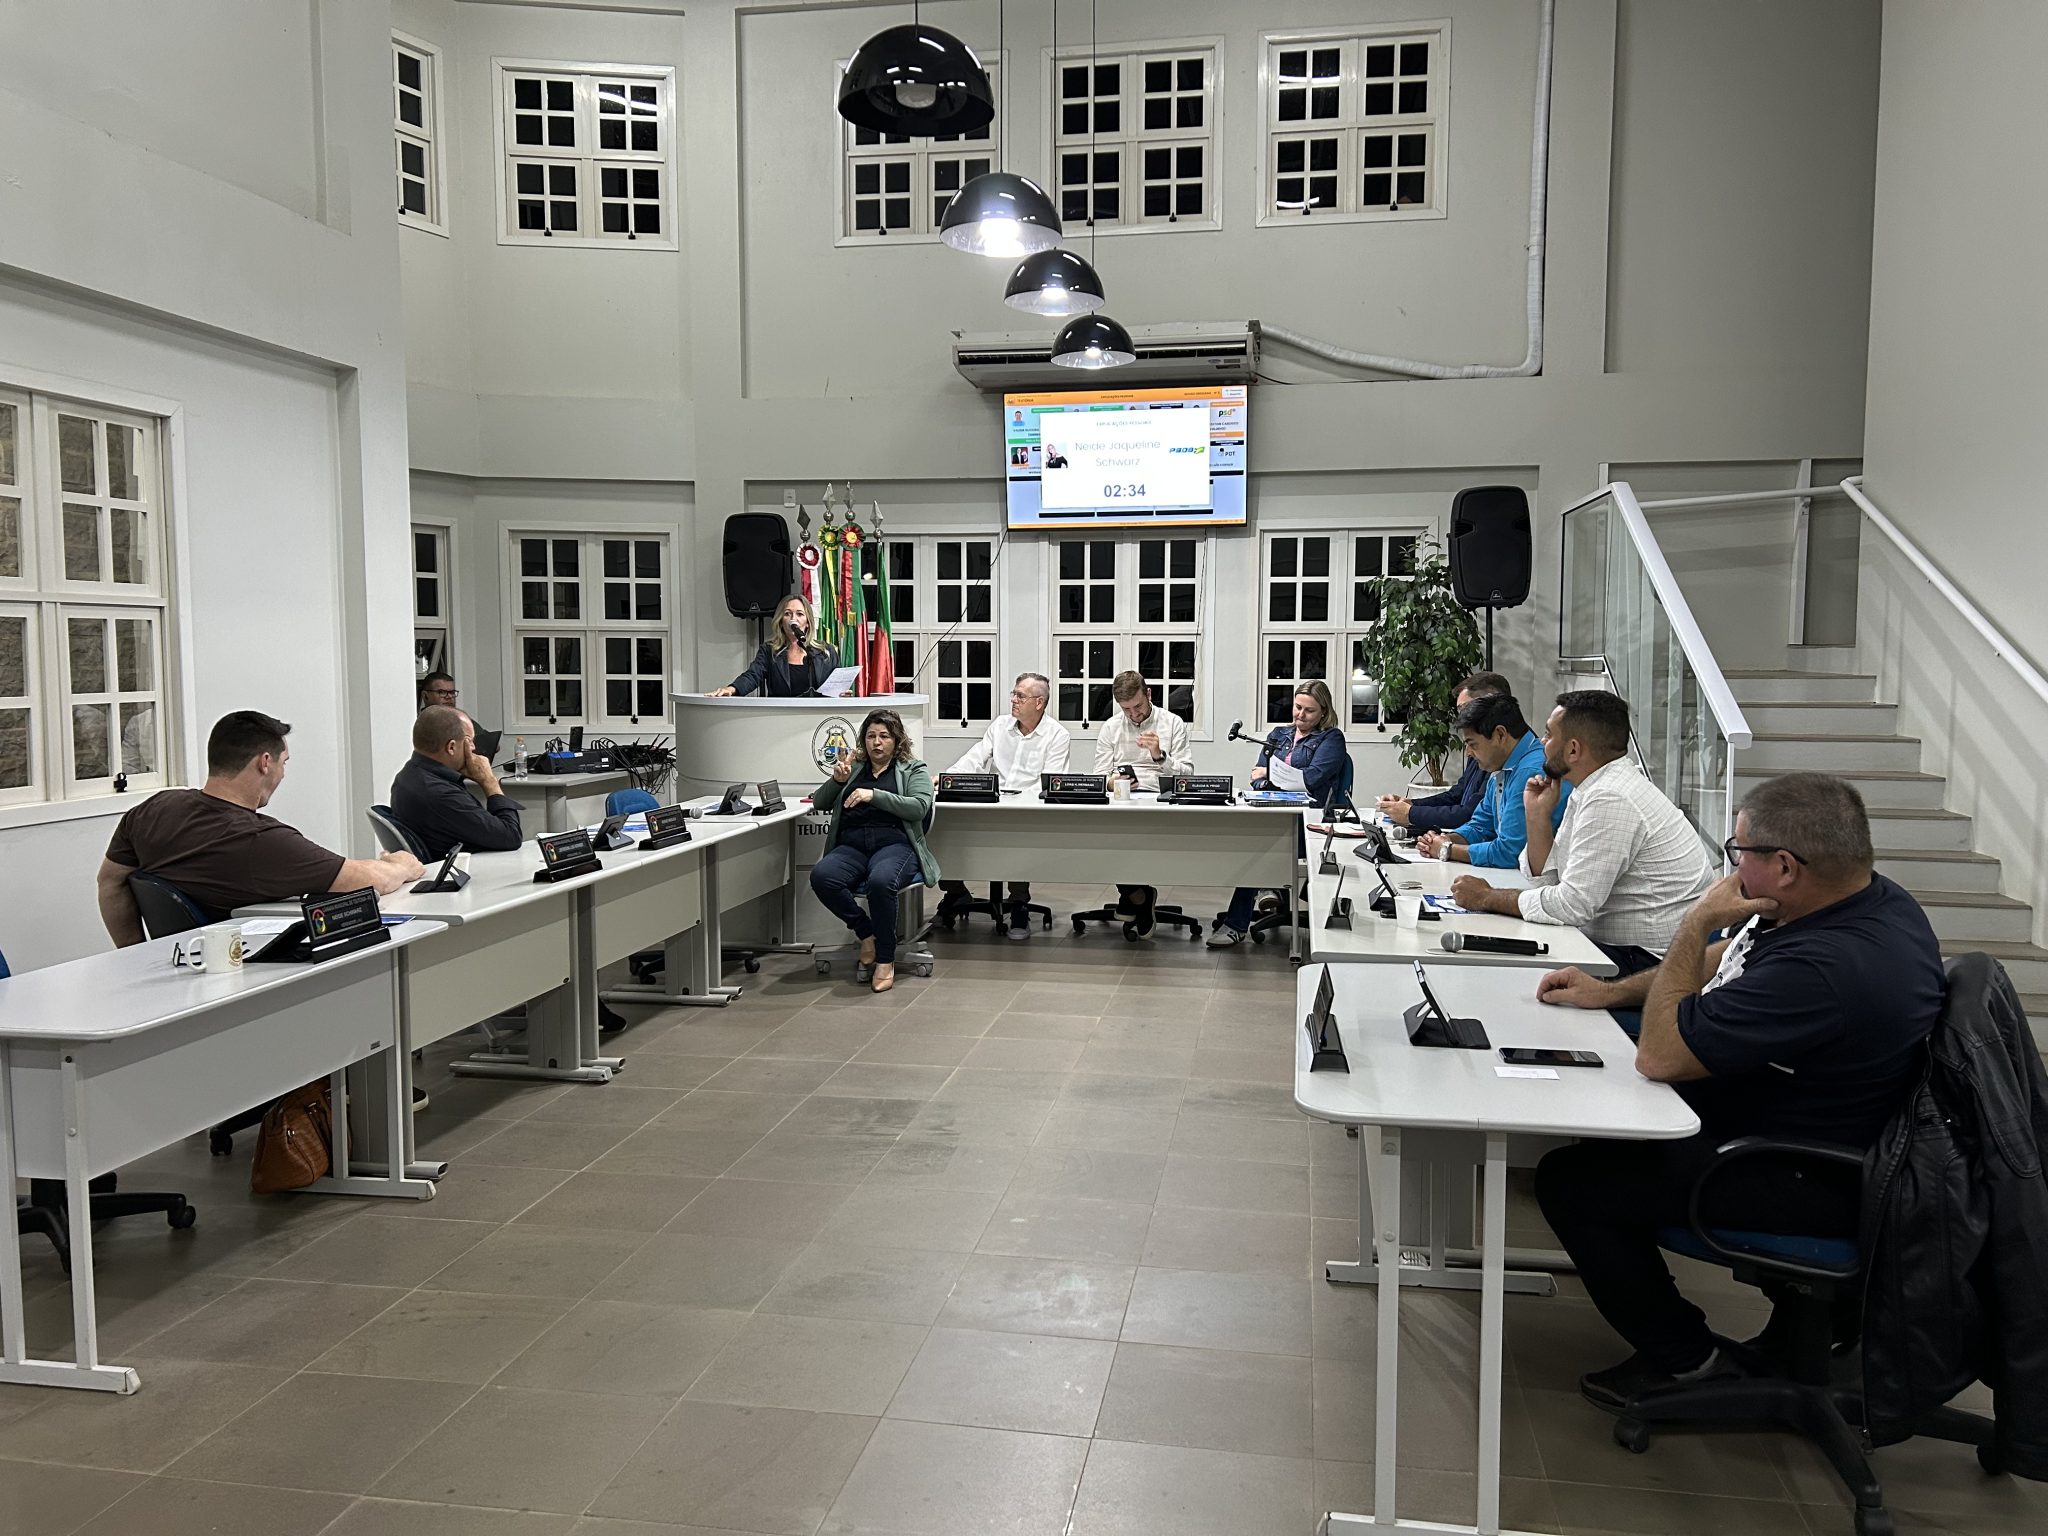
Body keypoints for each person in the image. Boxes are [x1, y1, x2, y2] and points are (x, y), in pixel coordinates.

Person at [1530, 772, 1944, 1409]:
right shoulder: (1872, 901)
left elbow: (1660, 1056)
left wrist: (1695, 919)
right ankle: (1813, 1325)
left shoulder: (1823, 969)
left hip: (1805, 1171)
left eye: (1738, 851)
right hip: (1821, 1131)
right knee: (1608, 1121)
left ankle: (1690, 1361)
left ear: (1784, 867)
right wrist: (1609, 992)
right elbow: (1728, 959)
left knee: (1573, 1182)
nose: (1730, 868)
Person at [96, 711, 423, 943]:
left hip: (186, 966)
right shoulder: (259, 840)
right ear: (265, 762)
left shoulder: (152, 810)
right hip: (247, 979)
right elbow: (371, 881)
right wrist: (402, 863)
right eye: (284, 763)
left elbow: (109, 882)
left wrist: (136, 954)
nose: (283, 773)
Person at [1451, 691, 1714, 972]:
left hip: (1647, 963)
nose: (1542, 743)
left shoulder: (1610, 797)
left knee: (1501, 965)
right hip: (1617, 949)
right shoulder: (1591, 787)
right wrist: (1537, 816)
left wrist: (1487, 897)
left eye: (1548, 735)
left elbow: (1571, 906)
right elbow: (1550, 883)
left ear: (1573, 750)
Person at [808, 708, 939, 994]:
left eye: (884, 736)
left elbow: (919, 807)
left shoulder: (912, 769)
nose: (876, 743)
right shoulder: (854, 767)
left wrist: (874, 795)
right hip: (853, 845)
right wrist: (837, 781)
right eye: (870, 736)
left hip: (894, 844)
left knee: (881, 881)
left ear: (897, 740)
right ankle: (866, 933)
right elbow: (819, 802)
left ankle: (885, 958)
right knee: (822, 876)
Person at [1209, 679, 1348, 947]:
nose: (1300, 715)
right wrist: (1269, 780)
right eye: (1297, 707)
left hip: (1308, 821)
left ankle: (1237, 923)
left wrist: (1271, 775)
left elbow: (1311, 779)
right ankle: (1267, 889)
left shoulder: (1332, 738)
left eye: (1309, 710)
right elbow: (1256, 778)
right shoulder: (1278, 735)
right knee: (1246, 839)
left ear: (1323, 712)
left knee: (1259, 849)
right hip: (1272, 815)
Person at [938, 673, 1071, 939]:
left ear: (1039, 702)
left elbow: (1050, 782)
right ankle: (956, 892)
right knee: (944, 827)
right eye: (1014, 694)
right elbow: (973, 760)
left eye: (1020, 696)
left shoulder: (1057, 735)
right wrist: (945, 779)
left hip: (1029, 811)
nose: (1014, 700)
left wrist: (1016, 801)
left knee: (1016, 834)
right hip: (991, 804)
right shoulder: (1000, 726)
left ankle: (1019, 903)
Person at [1091, 669, 1194, 932]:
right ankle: (1139, 895)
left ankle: (1133, 896)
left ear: (1148, 694)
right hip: (1122, 801)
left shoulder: (1172, 723)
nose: (1134, 714)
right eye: (1126, 709)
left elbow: (1188, 775)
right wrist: (1114, 782)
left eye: (1137, 706)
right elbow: (1099, 776)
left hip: (1160, 801)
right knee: (1098, 841)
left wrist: (1160, 756)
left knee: (1134, 843)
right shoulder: (1111, 727)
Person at [1415, 694, 1565, 868]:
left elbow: (1510, 852)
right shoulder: (1503, 765)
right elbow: (1480, 826)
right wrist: (1441, 840)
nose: (1468, 753)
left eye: (1472, 744)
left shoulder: (1530, 772)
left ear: (1500, 734)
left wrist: (1448, 850)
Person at [1378, 670, 1510, 830]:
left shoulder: (1504, 754)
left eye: (1465, 709)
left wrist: (1411, 814)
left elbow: (1470, 815)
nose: (1468, 752)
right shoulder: (1480, 745)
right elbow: (1458, 795)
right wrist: (1410, 804)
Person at [390, 706, 524, 859]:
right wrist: (489, 781)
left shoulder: (407, 775)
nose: (473, 747)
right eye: (469, 741)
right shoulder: (441, 794)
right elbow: (511, 836)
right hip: (471, 868)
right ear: (451, 747)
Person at [706, 594, 838, 697]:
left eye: (799, 614)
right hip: (780, 717)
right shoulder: (769, 651)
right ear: (781, 621)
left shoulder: (827, 652)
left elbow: (838, 685)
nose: (793, 619)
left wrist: (843, 692)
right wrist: (731, 689)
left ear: (808, 622)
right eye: (787, 614)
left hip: (818, 719)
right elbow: (752, 675)